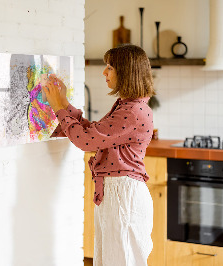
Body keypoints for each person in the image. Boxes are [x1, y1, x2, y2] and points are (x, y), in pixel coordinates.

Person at [43, 44, 155, 266]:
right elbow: (93, 133)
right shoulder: (128, 106)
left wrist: (58, 108)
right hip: (117, 193)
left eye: (110, 67)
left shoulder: (132, 111)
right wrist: (64, 103)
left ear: (126, 72)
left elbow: (86, 141)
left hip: (123, 195)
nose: (104, 72)